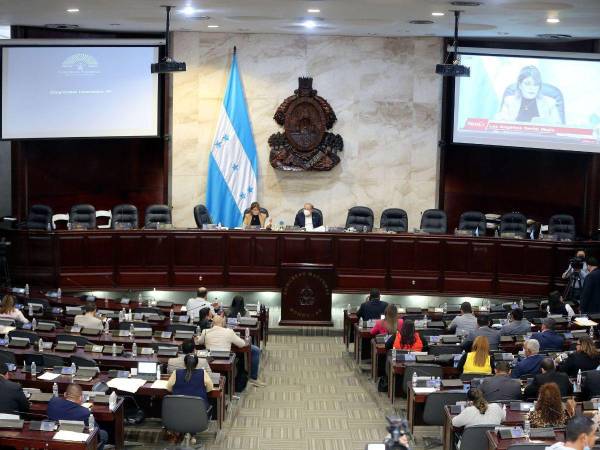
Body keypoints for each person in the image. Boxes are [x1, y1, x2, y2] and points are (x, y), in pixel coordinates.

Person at [197, 314, 264, 387]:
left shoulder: (205, 331)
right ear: (223, 323)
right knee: (240, 355)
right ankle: (251, 379)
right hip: (225, 359)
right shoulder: (229, 331)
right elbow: (242, 344)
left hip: (210, 359)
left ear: (212, 323)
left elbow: (199, 342)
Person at [48, 384, 108, 450]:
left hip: (55, 438)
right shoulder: (84, 412)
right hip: (76, 441)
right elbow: (97, 433)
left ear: (65, 394)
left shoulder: (52, 402)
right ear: (80, 398)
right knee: (103, 434)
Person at [495, 65, 562, 124]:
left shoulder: (550, 103)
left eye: (535, 84)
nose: (532, 88)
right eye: (527, 84)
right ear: (520, 85)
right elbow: (500, 122)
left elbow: (558, 126)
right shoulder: (509, 101)